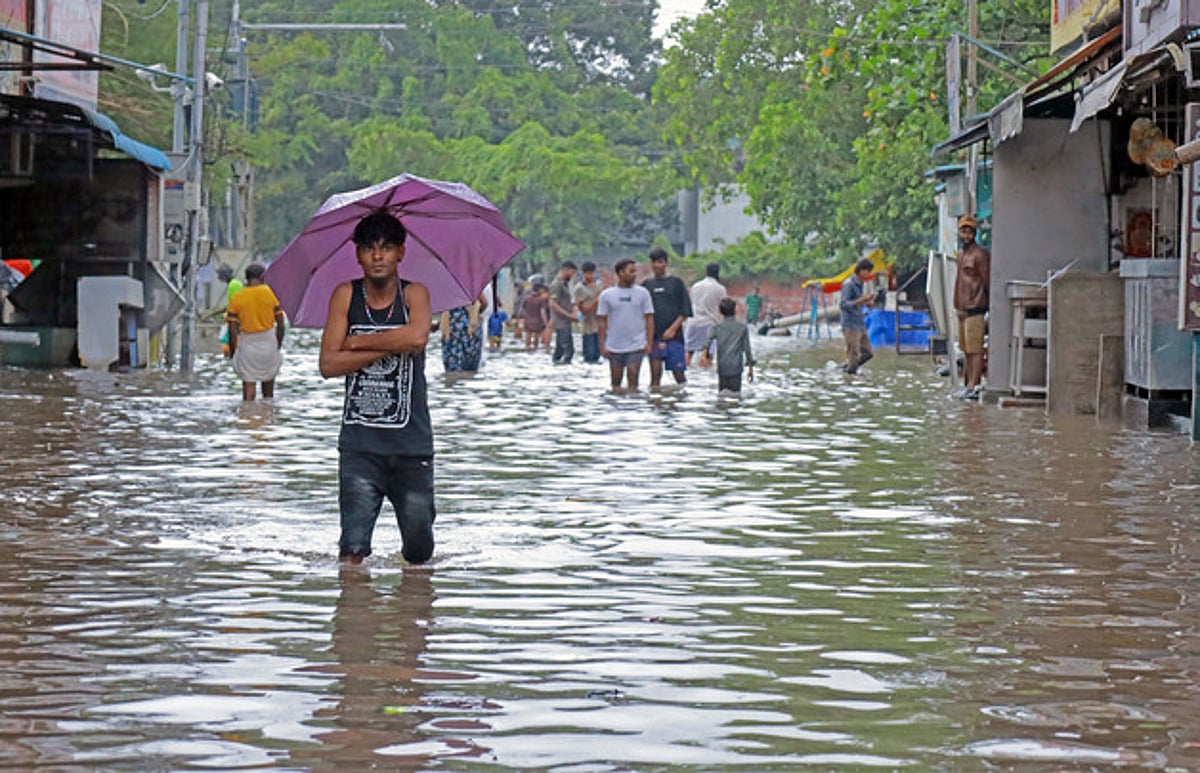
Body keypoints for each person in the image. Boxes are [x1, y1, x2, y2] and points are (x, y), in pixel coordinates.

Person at [318, 210, 435, 565]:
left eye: (386, 247)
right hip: (359, 446)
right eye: (369, 248)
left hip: (411, 446)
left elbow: (416, 337)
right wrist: (388, 344)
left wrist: (354, 344)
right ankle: (354, 613)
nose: (378, 256)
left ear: (401, 252)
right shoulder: (345, 296)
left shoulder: (415, 295)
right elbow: (328, 365)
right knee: (351, 551)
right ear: (358, 254)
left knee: (418, 553)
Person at [225, 263, 286, 400]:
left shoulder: (237, 298)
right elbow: (281, 324)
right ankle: (268, 418)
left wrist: (233, 352)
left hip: (248, 345)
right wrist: (277, 344)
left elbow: (232, 331)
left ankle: (248, 418)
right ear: (263, 277)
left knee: (248, 393)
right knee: (269, 393)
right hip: (269, 343)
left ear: (246, 278)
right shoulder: (271, 294)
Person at [596, 257, 654, 392]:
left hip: (636, 343)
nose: (634, 274)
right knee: (616, 381)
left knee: (633, 376)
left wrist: (649, 342)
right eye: (631, 271)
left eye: (635, 271)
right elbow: (602, 321)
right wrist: (602, 345)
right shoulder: (606, 295)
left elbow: (649, 318)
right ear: (620, 273)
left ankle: (633, 407)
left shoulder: (643, 293)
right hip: (614, 345)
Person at [642, 247, 692, 390]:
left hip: (674, 337)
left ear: (666, 263)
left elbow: (685, 311)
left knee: (679, 376)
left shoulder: (676, 283)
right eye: (653, 262)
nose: (656, 265)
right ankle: (655, 403)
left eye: (660, 262)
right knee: (655, 377)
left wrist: (672, 329)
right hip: (655, 337)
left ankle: (680, 402)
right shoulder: (647, 285)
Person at [954, 214, 991, 399]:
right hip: (961, 309)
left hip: (975, 308)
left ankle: (974, 385)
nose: (966, 235)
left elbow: (987, 282)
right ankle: (967, 384)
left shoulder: (980, 255)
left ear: (974, 234)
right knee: (966, 349)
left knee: (975, 350)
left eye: (969, 231)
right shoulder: (961, 255)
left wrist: (988, 305)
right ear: (958, 232)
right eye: (963, 231)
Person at [706, 297, 755, 394]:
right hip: (736, 368)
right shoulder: (742, 328)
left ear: (720, 312)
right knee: (735, 396)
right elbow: (747, 349)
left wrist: (706, 355)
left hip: (722, 367)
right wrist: (750, 369)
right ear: (735, 311)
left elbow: (707, 344)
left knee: (722, 395)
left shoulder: (716, 328)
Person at [839, 258, 876, 375]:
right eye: (868, 271)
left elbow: (856, 302)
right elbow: (843, 304)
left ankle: (846, 367)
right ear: (861, 270)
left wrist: (866, 303)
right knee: (853, 355)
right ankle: (850, 378)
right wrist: (860, 300)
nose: (868, 274)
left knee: (868, 353)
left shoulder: (860, 284)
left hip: (860, 323)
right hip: (850, 325)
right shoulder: (849, 284)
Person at [686, 262, 726, 366]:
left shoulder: (696, 286)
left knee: (688, 352)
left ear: (706, 272)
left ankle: (686, 374)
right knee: (707, 355)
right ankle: (705, 379)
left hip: (693, 322)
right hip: (710, 323)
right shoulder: (720, 289)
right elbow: (723, 308)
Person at [440, 293, 487, 373]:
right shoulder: (470, 285)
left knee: (452, 368)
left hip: (452, 327)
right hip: (470, 326)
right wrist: (476, 313)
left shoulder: (446, 286)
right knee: (470, 368)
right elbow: (484, 303)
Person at [572, 261, 603, 363]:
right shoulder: (579, 289)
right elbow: (583, 311)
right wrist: (597, 301)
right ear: (583, 274)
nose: (591, 276)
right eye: (588, 274)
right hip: (587, 326)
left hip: (599, 325)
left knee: (597, 356)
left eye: (593, 273)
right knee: (589, 356)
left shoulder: (599, 285)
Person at [548, 260, 578, 364]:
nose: (572, 276)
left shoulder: (564, 285)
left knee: (560, 350)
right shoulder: (556, 285)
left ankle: (557, 365)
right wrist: (569, 315)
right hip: (561, 322)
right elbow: (553, 304)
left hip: (565, 321)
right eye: (572, 273)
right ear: (566, 270)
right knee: (568, 350)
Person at [520, 282, 550, 351]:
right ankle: (535, 348)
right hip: (537, 321)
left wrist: (522, 319)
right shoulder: (541, 300)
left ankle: (527, 348)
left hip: (528, 320)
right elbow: (542, 311)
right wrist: (545, 322)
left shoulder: (527, 298)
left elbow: (522, 309)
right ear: (539, 290)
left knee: (528, 334)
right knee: (537, 336)